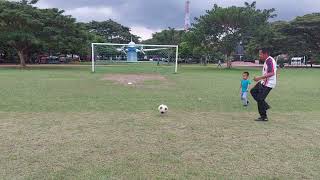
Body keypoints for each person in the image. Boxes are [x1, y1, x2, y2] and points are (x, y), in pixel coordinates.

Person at [250, 49, 277, 121]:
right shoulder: (267, 60)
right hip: (263, 82)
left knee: (260, 99)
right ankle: (265, 105)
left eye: (260, 54)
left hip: (268, 83)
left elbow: (272, 73)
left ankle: (263, 117)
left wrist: (259, 78)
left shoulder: (269, 60)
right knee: (253, 91)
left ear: (265, 54)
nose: (259, 56)